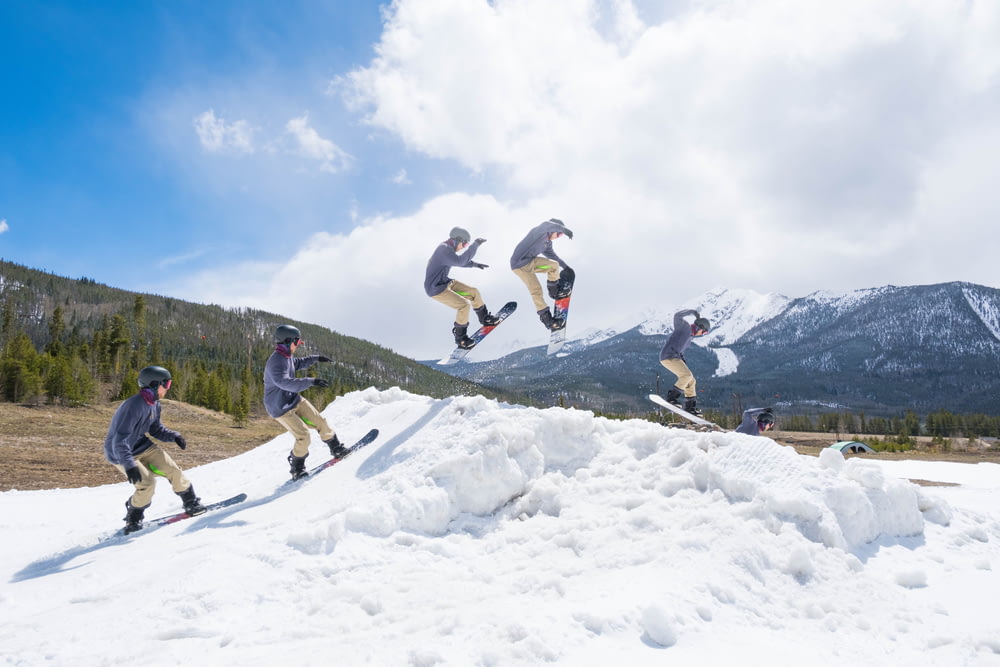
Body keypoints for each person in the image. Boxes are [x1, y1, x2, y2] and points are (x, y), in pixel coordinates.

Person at [104, 365, 206, 534]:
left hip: (143, 446)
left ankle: (191, 502)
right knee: (147, 483)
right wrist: (129, 465)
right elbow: (119, 439)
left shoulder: (154, 405)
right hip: (122, 453)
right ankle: (133, 518)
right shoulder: (133, 406)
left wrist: (174, 436)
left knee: (173, 470)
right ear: (154, 384)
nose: (168, 388)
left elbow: (156, 429)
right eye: (166, 384)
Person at [264, 324, 348, 480]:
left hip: (293, 399)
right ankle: (297, 467)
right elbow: (285, 382)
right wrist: (311, 381)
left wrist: (316, 358)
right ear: (288, 341)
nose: (298, 345)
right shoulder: (275, 362)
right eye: (297, 342)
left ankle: (336, 448)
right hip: (280, 407)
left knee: (320, 421)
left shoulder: (286, 356)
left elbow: (297, 363)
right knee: (303, 435)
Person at [424, 227, 501, 349]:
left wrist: (474, 264)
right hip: (436, 289)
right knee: (463, 305)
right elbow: (459, 261)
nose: (465, 246)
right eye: (464, 243)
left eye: (467, 244)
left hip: (445, 282)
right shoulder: (443, 249)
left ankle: (485, 318)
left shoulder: (448, 248)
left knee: (473, 292)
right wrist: (475, 245)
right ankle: (461, 339)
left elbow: (456, 261)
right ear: (457, 240)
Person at [509, 218, 574, 331]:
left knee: (553, 266)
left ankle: (555, 292)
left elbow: (553, 256)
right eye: (558, 234)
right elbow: (547, 225)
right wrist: (564, 229)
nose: (558, 237)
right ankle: (548, 321)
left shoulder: (547, 243)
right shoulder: (539, 231)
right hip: (519, 266)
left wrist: (566, 267)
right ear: (553, 229)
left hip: (531, 262)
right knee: (536, 290)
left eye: (560, 236)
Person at [659, 309, 711, 416]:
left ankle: (690, 407)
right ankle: (672, 398)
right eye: (704, 331)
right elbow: (677, 315)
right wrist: (692, 312)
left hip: (675, 357)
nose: (702, 334)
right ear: (700, 327)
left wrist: (684, 363)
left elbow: (680, 352)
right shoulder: (684, 327)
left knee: (691, 380)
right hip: (668, 356)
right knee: (686, 376)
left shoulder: (690, 337)